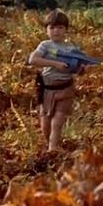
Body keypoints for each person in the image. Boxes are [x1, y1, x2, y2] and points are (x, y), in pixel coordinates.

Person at [28, 9, 94, 152]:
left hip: (65, 88)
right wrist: (55, 64)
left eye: (60, 27)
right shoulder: (45, 45)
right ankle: (50, 145)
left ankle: (53, 147)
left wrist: (82, 69)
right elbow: (33, 60)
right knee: (45, 123)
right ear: (46, 30)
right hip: (47, 89)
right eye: (52, 28)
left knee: (57, 122)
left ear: (66, 30)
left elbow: (78, 71)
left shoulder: (72, 49)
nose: (56, 31)